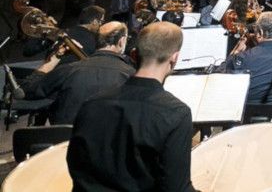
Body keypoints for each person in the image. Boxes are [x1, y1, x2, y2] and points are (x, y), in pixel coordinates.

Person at [67, 22, 197, 192]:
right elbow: (176, 188)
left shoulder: (91, 104)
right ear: (174, 58)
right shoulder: (176, 113)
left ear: (134, 55)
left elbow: (76, 163)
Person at [23, 22, 134, 125]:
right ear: (122, 40)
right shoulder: (132, 75)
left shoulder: (68, 70)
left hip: (67, 142)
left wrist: (55, 58)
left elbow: (27, 90)